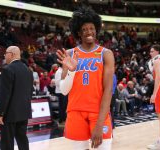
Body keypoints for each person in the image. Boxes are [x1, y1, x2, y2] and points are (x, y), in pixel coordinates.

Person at [56, 6, 115, 150]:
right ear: (78, 32)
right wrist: (71, 71)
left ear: (96, 30)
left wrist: (100, 124)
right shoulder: (70, 53)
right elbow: (63, 90)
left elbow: (108, 90)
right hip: (76, 111)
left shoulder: (105, 53)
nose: (89, 31)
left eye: (92, 28)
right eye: (84, 29)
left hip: (98, 112)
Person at [0, 46, 33, 150]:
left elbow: (4, 94)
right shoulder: (28, 70)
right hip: (23, 112)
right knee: (22, 139)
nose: (4, 55)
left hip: (9, 113)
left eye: (5, 53)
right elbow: (30, 92)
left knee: (7, 142)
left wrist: (0, 113)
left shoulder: (7, 69)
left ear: (11, 54)